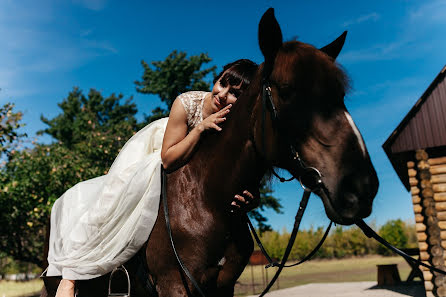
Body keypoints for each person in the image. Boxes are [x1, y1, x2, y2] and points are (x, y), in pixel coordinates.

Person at [48, 59, 259, 297]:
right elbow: (168, 158)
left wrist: (253, 197)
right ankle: (71, 275)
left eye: (235, 94)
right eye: (223, 84)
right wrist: (200, 129)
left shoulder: (236, 124)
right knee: (114, 200)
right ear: (216, 79)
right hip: (164, 147)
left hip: (195, 173)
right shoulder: (186, 103)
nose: (223, 94)